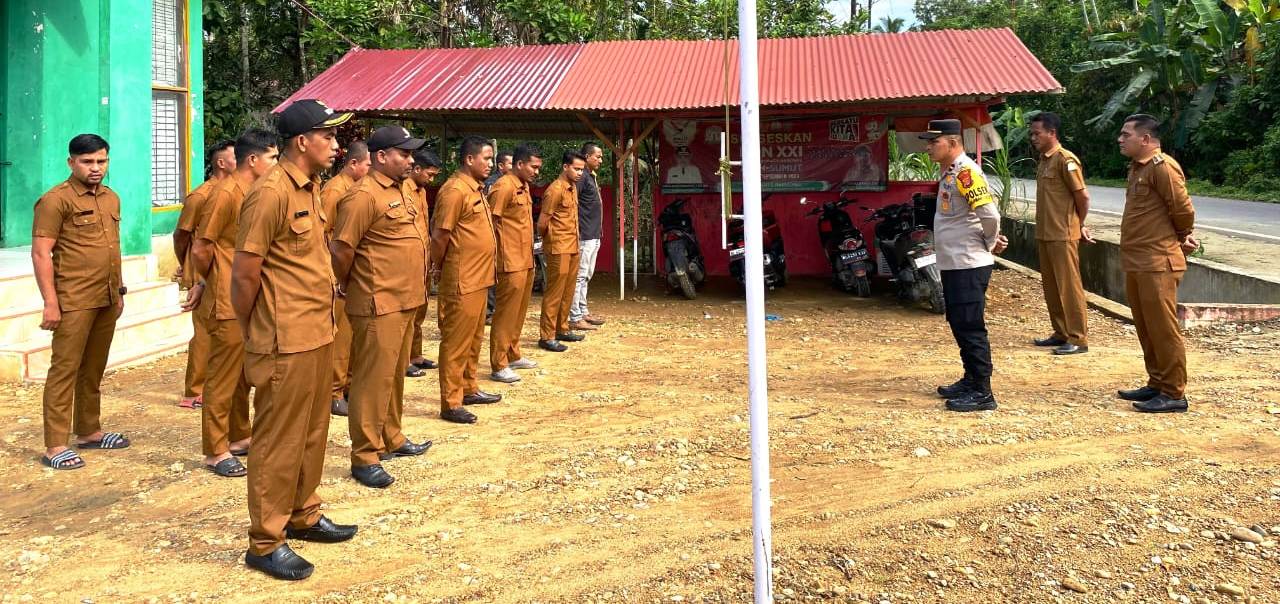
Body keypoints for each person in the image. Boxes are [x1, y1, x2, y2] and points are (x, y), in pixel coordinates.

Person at [232, 99, 357, 580]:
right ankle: (266, 541)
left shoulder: (311, 187)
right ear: (302, 141)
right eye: (328, 135)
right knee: (278, 441)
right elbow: (245, 273)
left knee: (311, 432)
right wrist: (254, 328)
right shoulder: (270, 193)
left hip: (317, 332)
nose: (336, 144)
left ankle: (303, 513)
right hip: (284, 338)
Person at [331, 126, 434, 488]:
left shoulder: (403, 189)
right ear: (381, 157)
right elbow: (342, 249)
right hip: (379, 300)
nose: (410, 160)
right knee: (371, 380)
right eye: (403, 154)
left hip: (406, 299)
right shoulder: (362, 196)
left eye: (411, 154)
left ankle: (391, 435)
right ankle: (365, 455)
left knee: (393, 375)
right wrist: (348, 284)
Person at [31, 134, 130, 470]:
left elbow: (112, 247)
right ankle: (55, 445)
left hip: (107, 296)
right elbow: (41, 253)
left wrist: (119, 292)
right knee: (65, 369)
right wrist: (50, 302)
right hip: (74, 299)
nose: (95, 168)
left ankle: (89, 431)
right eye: (87, 162)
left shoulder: (111, 198)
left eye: (101, 161)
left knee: (93, 367)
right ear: (71, 162)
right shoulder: (55, 201)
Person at [187, 129, 278, 477]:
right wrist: (209, 281)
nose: (276, 164)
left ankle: (239, 435)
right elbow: (201, 246)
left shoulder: (256, 191)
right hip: (226, 298)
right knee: (222, 378)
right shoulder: (224, 194)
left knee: (242, 374)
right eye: (272, 158)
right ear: (253, 160)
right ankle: (215, 449)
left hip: (247, 296)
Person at [921, 119, 1008, 413]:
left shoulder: (966, 173)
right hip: (955, 263)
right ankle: (970, 379)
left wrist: (990, 242)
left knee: (970, 326)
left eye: (934, 142)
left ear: (953, 143)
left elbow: (990, 216)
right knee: (959, 322)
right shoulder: (950, 172)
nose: (929, 147)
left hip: (968, 263)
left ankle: (983, 391)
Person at [1114, 114, 1197, 413]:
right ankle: (1157, 382)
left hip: (1157, 261)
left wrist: (1182, 236)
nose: (1120, 139)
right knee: (1146, 326)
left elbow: (1183, 210)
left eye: (1126, 135)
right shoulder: (1138, 168)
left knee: (1162, 328)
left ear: (1146, 139)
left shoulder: (1163, 167)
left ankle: (1174, 392)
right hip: (1137, 260)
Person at [431, 136, 502, 424]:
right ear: (469, 159)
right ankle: (451, 402)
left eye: (491, 159)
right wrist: (437, 268)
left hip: (479, 277)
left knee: (474, 338)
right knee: (456, 342)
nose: (491, 164)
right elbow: (440, 235)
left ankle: (469, 387)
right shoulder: (455, 190)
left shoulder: (476, 189)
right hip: (462, 278)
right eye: (486, 158)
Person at [173, 140, 236, 410]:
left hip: (225, 269)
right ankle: (194, 390)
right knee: (204, 331)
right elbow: (182, 234)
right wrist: (186, 266)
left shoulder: (236, 191)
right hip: (205, 270)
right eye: (235, 157)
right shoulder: (201, 196)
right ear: (221, 163)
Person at [1028, 112, 1093, 356]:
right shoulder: (1045, 160)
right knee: (1052, 287)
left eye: (1037, 133)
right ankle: (1061, 332)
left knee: (1069, 288)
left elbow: (1082, 197)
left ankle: (1078, 338)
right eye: (1032, 134)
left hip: (1063, 234)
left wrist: (1079, 224)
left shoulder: (1066, 160)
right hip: (1046, 233)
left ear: (1052, 133)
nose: (1033, 138)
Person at [320, 141, 371, 417]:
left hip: (353, 274)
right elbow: (324, 234)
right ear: (353, 164)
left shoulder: (357, 190)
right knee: (340, 337)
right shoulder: (335, 190)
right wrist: (335, 274)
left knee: (352, 335)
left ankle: (349, 384)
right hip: (337, 274)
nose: (370, 169)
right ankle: (333, 391)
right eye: (368, 165)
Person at [488, 144, 544, 383]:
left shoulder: (523, 186)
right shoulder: (503, 187)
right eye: (534, 167)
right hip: (509, 260)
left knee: (518, 311)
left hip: (525, 258)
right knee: (505, 313)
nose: (536, 172)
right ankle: (499, 363)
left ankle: (513, 353)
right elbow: (490, 223)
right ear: (519, 164)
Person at [538, 151, 587, 352]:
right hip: (558, 247)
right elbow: (542, 222)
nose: (580, 173)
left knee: (568, 291)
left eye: (582, 170)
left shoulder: (572, 187)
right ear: (565, 167)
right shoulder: (555, 190)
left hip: (572, 245)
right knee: (554, 292)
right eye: (576, 169)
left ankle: (562, 328)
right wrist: (549, 240)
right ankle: (547, 336)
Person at [403, 149, 443, 377]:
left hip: (423, 259)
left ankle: (415, 354)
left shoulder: (421, 191)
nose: (432, 179)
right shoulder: (403, 190)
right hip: (408, 262)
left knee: (419, 311)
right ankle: (403, 359)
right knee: (407, 314)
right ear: (416, 169)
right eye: (430, 174)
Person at [569, 142, 607, 332]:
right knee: (580, 276)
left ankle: (582, 311)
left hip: (593, 234)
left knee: (586, 276)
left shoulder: (590, 176)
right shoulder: (582, 177)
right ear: (586, 157)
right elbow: (572, 204)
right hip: (584, 235)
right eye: (597, 156)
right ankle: (574, 316)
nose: (601, 160)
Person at [484, 150, 514, 324]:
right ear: (501, 166)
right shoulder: (495, 184)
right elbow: (493, 216)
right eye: (510, 163)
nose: (514, 166)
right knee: (492, 275)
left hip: (506, 240)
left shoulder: (514, 183)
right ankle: (488, 311)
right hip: (495, 238)